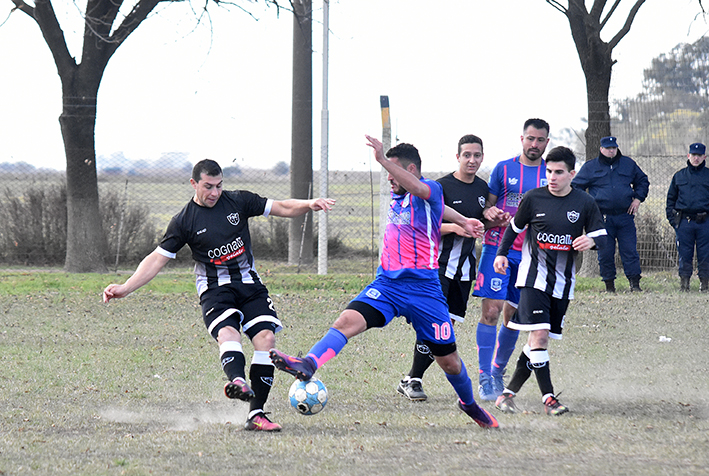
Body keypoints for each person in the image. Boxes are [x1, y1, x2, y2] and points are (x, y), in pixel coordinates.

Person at [269, 135, 499, 429]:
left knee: (449, 361)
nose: (389, 179)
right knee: (346, 321)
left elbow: (426, 192)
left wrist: (381, 158)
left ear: (411, 170)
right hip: (388, 285)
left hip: (425, 291)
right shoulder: (402, 196)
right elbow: (438, 208)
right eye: (387, 174)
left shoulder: (430, 188)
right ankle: (308, 363)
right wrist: (463, 220)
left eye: (393, 173)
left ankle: (469, 405)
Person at [102, 159, 335, 432]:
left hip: (249, 284)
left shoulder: (238, 201)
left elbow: (281, 206)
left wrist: (309, 204)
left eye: (219, 185)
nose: (214, 192)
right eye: (208, 186)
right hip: (215, 290)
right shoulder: (184, 221)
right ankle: (237, 381)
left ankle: (256, 414)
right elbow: (157, 259)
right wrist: (126, 287)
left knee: (266, 339)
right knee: (228, 334)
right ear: (194, 184)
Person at [493, 146, 606, 416]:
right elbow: (514, 228)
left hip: (563, 284)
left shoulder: (584, 203)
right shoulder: (533, 198)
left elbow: (603, 236)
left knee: (537, 341)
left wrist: (591, 241)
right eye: (549, 172)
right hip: (533, 279)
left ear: (572, 174)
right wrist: (501, 255)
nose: (552, 177)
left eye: (558, 172)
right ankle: (549, 398)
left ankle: (507, 395)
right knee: (540, 336)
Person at [396, 134, 493, 401]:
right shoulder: (441, 187)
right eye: (467, 155)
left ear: (482, 157)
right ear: (457, 157)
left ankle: (410, 378)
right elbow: (425, 225)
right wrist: (456, 226)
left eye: (477, 155)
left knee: (445, 328)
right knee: (435, 325)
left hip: (464, 270)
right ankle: (414, 379)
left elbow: (478, 223)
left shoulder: (483, 189)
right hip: (437, 267)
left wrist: (493, 219)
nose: (472, 160)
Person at [472, 118, 549, 402]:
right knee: (491, 312)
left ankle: (497, 371)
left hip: (531, 253)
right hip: (497, 248)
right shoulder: (504, 169)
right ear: (522, 138)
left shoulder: (549, 173)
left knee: (513, 317)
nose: (534, 144)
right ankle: (482, 376)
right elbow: (488, 206)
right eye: (530, 138)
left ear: (546, 142)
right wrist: (491, 213)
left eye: (540, 140)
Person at [571, 136, 649, 293]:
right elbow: (576, 186)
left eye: (613, 147)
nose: (611, 150)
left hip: (625, 216)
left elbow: (643, 181)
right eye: (608, 148)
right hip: (602, 218)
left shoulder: (628, 164)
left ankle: (635, 284)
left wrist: (638, 199)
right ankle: (609, 286)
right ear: (601, 149)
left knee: (629, 251)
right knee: (605, 253)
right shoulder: (590, 167)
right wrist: (589, 205)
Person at [666, 142, 709, 292]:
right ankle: (684, 284)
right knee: (685, 254)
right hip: (685, 222)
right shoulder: (679, 176)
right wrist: (674, 222)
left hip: (705, 223)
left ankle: (705, 285)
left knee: (705, 254)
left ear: (704, 157)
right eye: (693, 155)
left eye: (699, 155)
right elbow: (670, 200)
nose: (696, 158)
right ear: (688, 155)